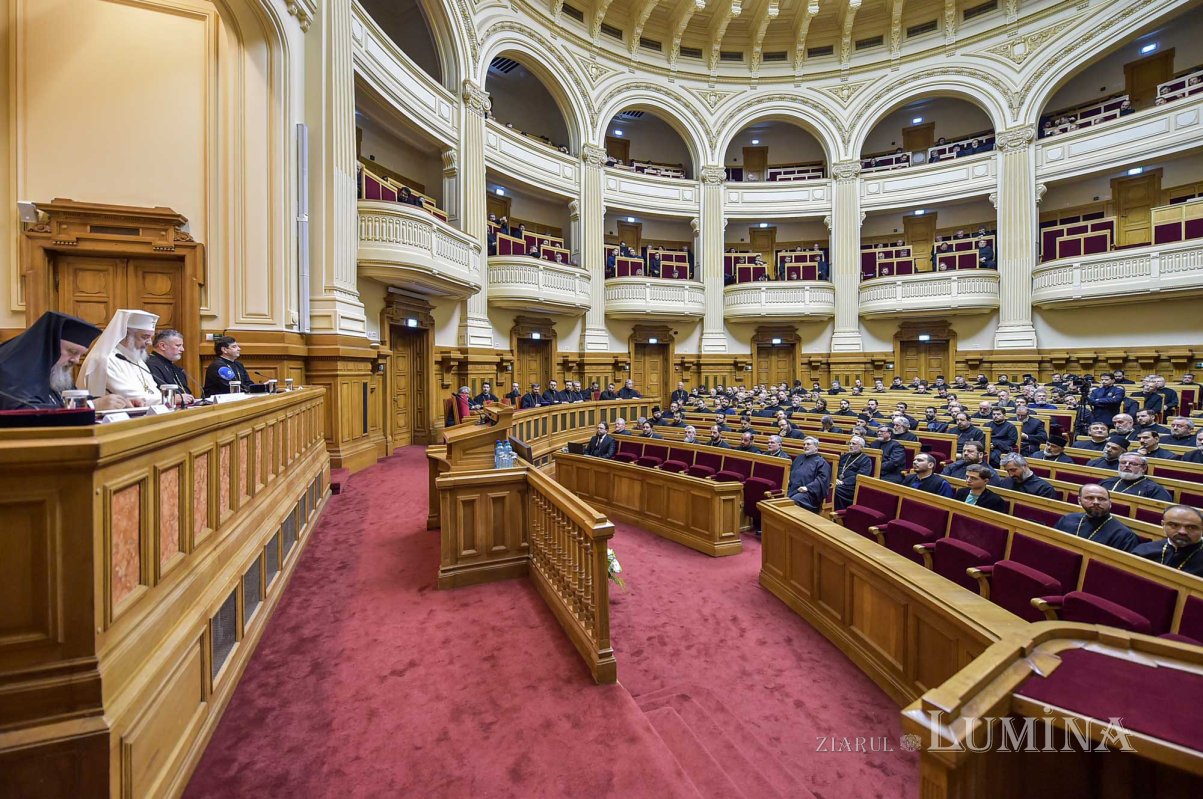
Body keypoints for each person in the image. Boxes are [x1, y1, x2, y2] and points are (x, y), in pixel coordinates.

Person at [0, 310, 129, 411]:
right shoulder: (11, 369)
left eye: (80, 354)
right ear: (49, 345)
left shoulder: (55, 370)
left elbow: (72, 399)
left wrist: (118, 403)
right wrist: (90, 406)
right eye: (72, 351)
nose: (76, 360)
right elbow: (25, 412)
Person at [77, 309, 163, 405]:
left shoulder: (137, 360)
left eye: (151, 337)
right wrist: (166, 401)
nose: (150, 342)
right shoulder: (105, 359)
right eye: (145, 337)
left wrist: (167, 399)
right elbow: (130, 396)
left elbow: (153, 390)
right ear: (126, 335)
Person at [1053, 484, 1140, 552]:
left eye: (1101, 499)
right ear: (1079, 500)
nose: (1096, 502)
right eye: (1090, 498)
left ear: (1110, 503)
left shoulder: (1124, 536)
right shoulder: (1068, 519)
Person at [1132, 505, 1203, 578]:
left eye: (1191, 527)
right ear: (1163, 525)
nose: (1182, 532)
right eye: (1174, 525)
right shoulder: (1144, 551)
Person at [146, 329, 195, 403]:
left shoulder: (176, 368)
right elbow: (156, 394)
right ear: (162, 346)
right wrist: (173, 398)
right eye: (178, 345)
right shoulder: (150, 365)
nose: (182, 349)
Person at [1099, 453, 1172, 500]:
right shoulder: (1107, 482)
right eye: (1123, 463)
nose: (1127, 465)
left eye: (1133, 464)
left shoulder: (1154, 490)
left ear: (1144, 468)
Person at [788, 437, 830, 512]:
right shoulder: (799, 458)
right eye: (804, 444)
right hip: (793, 489)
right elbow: (790, 471)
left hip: (809, 494)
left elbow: (822, 480)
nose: (805, 446)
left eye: (808, 444)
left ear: (816, 447)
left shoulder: (821, 462)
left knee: (792, 501)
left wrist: (808, 488)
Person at [833, 436, 873, 510]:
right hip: (838, 481)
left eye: (854, 444)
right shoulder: (845, 456)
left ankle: (839, 512)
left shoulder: (866, 460)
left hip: (852, 486)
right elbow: (835, 468)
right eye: (850, 443)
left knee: (836, 489)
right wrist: (835, 478)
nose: (850, 445)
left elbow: (860, 476)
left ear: (861, 447)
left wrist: (843, 482)